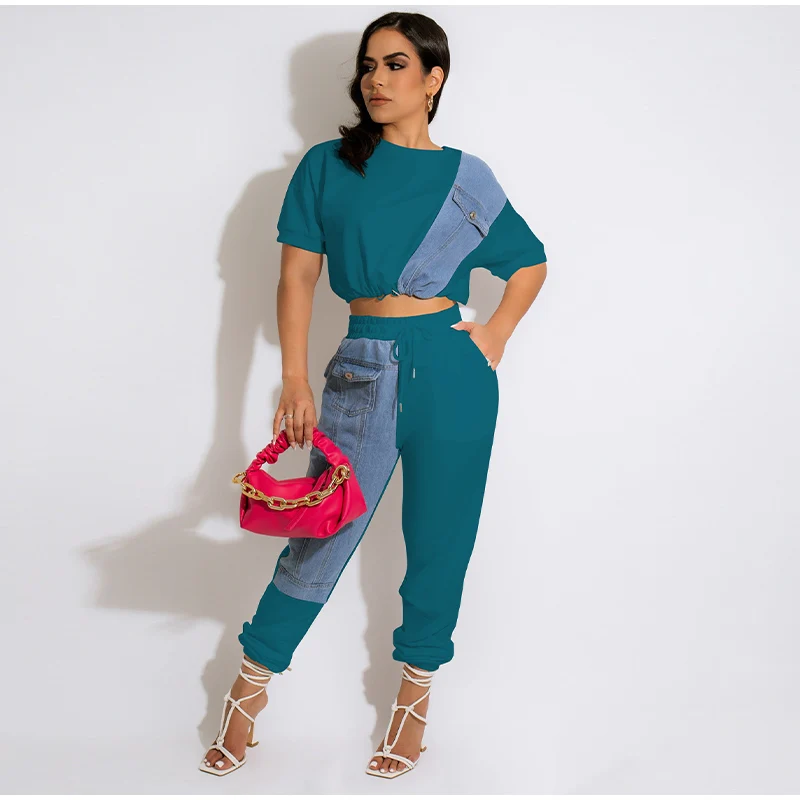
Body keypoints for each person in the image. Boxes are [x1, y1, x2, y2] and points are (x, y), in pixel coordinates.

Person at [200, 10, 548, 779]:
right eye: (368, 65)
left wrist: (495, 334)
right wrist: (295, 377)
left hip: (454, 373)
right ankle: (248, 689)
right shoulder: (328, 166)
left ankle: (412, 702)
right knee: (322, 533)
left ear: (434, 79)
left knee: (441, 542)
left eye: (395, 65)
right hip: (363, 368)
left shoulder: (468, 178)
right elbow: (297, 276)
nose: (376, 79)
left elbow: (529, 261)